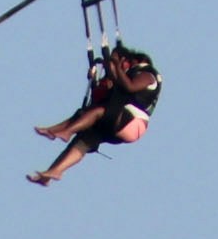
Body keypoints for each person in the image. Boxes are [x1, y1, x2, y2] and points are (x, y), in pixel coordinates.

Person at [28, 42, 161, 184]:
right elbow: (107, 92)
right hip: (120, 125)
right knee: (84, 138)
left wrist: (116, 66)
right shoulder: (121, 81)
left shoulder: (148, 75)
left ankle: (65, 132)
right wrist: (98, 77)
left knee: (97, 112)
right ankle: (52, 173)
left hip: (133, 122)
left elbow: (130, 87)